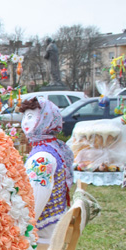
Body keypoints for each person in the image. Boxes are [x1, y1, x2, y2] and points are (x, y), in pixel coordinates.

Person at [20, 97, 74, 240]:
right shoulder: (51, 146)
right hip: (53, 225)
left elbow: (33, 207)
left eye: (30, 117)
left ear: (46, 119)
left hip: (44, 233)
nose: (25, 122)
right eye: (24, 116)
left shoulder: (42, 158)